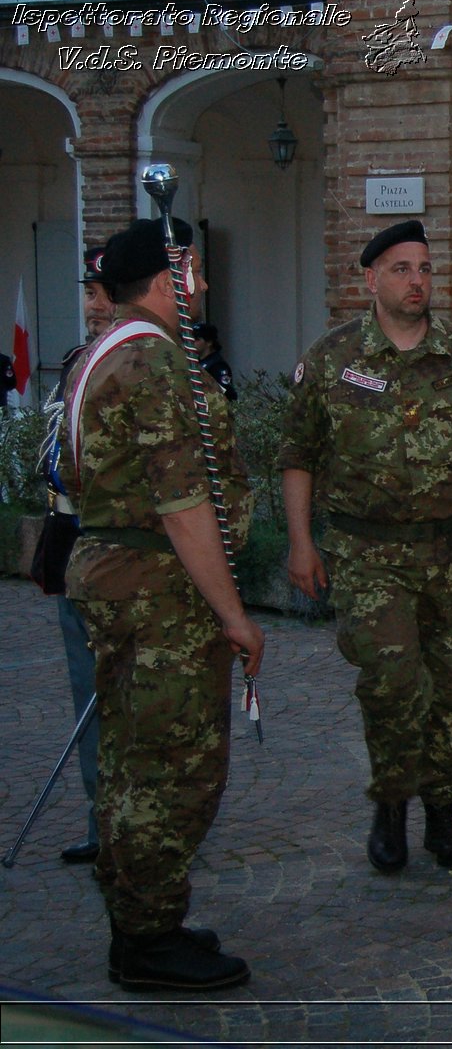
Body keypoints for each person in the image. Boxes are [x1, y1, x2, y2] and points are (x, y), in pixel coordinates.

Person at [279, 219, 452, 875]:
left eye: (425, 268)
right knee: (394, 680)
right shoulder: (332, 359)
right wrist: (299, 543)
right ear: (369, 279)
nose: (417, 281)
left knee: (449, 684)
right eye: (402, 269)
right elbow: (297, 452)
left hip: (450, 555)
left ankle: (442, 814)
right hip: (366, 554)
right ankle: (392, 805)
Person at [62, 218, 264, 991]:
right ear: (165, 278)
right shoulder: (151, 362)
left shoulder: (105, 352)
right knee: (172, 767)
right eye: (194, 272)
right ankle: (146, 941)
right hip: (158, 592)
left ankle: (143, 918)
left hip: (125, 581)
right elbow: (183, 505)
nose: (204, 286)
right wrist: (234, 615)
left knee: (131, 757)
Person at [38, 247, 115, 863]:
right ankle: (102, 819)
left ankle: (147, 827)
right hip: (75, 550)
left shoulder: (160, 368)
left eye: (102, 292)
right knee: (86, 690)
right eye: (88, 291)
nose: (92, 305)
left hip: (126, 557)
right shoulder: (74, 364)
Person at [192, 322, 237, 401]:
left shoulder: (218, 365)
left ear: (209, 342)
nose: (192, 342)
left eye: (196, 339)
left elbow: (227, 394)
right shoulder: (196, 362)